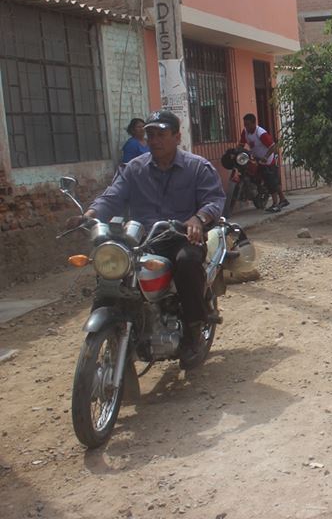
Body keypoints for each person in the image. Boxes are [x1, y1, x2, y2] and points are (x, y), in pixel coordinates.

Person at [70, 110, 226, 355]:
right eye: (150, 135)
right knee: (110, 269)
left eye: (161, 134)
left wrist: (198, 218)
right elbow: (112, 197)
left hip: (181, 236)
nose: (154, 140)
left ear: (177, 136)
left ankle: (194, 329)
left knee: (187, 262)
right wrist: (89, 216)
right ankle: (111, 327)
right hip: (141, 238)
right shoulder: (134, 168)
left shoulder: (197, 167)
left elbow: (214, 200)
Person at [240, 113, 288, 213]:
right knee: (270, 181)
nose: (246, 127)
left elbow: (272, 146)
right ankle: (283, 200)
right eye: (245, 124)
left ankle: (275, 204)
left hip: (268, 161)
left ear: (254, 123)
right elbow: (241, 144)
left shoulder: (261, 133)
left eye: (248, 124)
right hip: (257, 159)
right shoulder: (245, 132)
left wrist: (265, 157)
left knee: (271, 181)